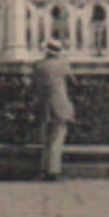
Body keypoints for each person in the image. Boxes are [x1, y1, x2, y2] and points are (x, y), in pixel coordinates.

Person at [31, 38, 78, 181]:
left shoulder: (38, 65)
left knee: (45, 139)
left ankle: (43, 169)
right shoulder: (63, 65)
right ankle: (53, 171)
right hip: (60, 105)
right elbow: (73, 82)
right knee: (57, 139)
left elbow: (34, 84)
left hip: (43, 105)